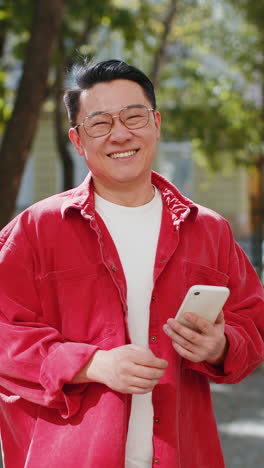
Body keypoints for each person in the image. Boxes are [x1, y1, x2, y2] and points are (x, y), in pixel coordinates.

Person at [0, 59, 263, 468]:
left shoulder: (209, 230)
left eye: (134, 117)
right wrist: (92, 364)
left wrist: (221, 346)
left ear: (156, 123)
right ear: (77, 139)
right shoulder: (36, 230)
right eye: (100, 123)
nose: (120, 134)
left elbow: (253, 320)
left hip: (183, 455)